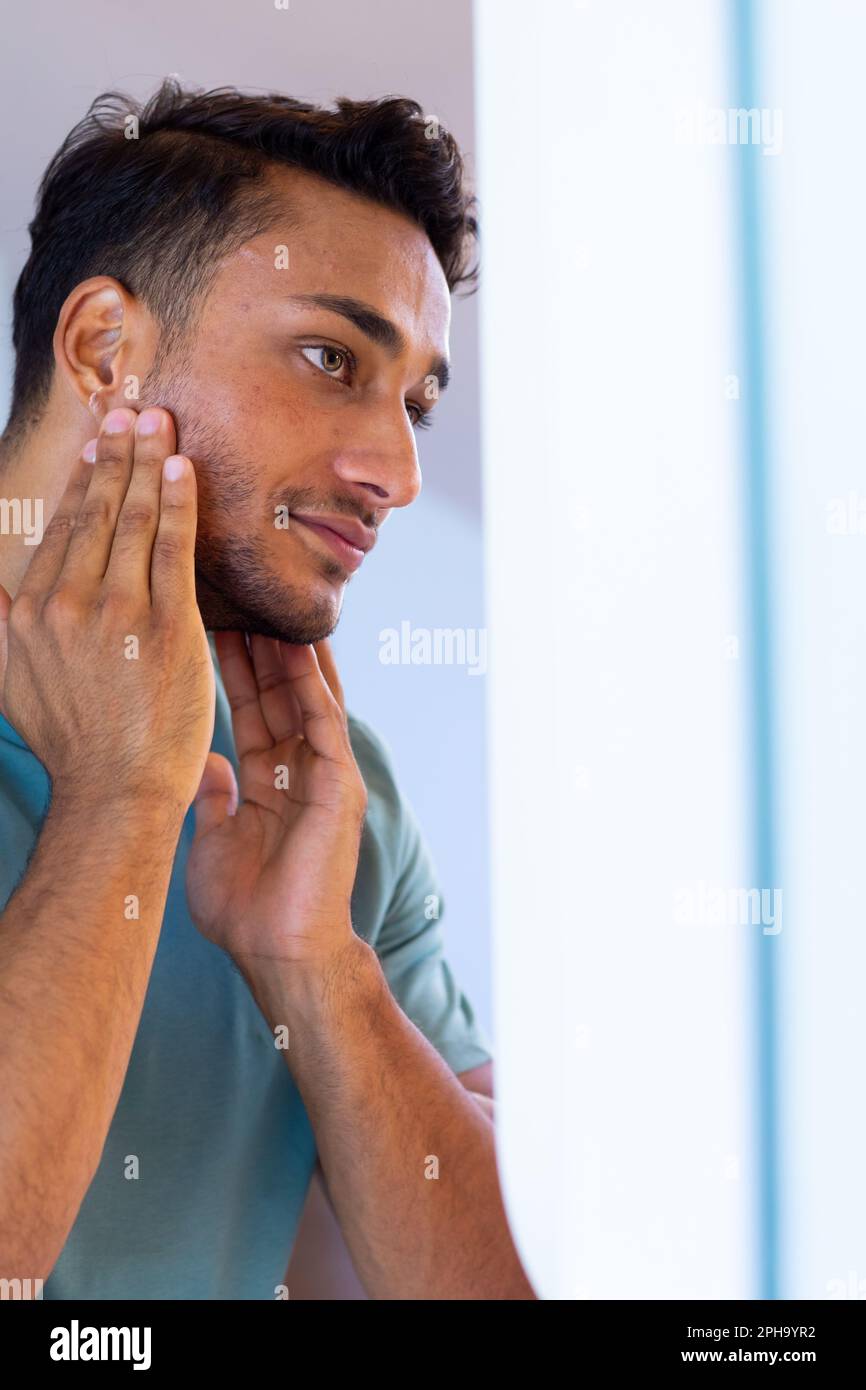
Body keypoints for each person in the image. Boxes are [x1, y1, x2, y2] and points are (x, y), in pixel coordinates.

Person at [0, 80, 535, 1300]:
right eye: (329, 357)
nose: (395, 470)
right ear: (102, 350)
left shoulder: (332, 800)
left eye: (414, 404)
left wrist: (315, 962)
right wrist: (122, 802)